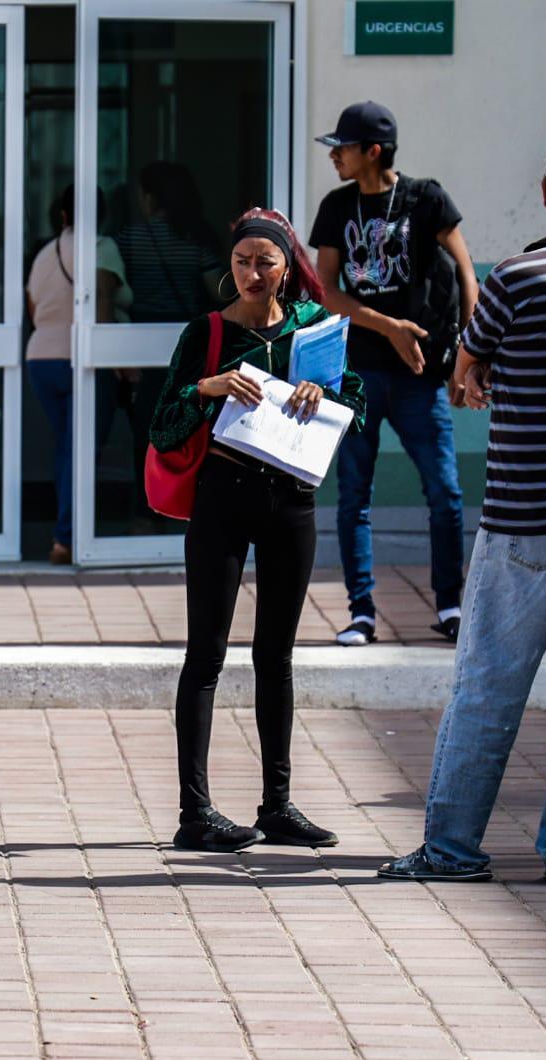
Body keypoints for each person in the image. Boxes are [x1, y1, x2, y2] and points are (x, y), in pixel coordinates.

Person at [379, 125, 546, 888]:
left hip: (532, 513)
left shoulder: (519, 277)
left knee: (489, 687)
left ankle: (452, 849)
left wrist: (487, 375)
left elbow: (467, 368)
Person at [149, 208, 366, 852]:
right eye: (241, 261)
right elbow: (162, 423)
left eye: (264, 262)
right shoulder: (207, 333)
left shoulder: (313, 330)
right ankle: (196, 812)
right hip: (223, 496)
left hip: (292, 500)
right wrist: (208, 386)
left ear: (285, 266)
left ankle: (277, 805)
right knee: (206, 655)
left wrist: (319, 395)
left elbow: (353, 399)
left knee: (276, 656)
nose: (251, 273)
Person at [310, 101, 479, 646]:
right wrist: (388, 326)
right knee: (354, 492)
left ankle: (450, 605)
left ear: (373, 151)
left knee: (445, 493)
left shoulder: (426, 199)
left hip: (420, 375)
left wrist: (469, 361)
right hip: (359, 371)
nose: (335, 156)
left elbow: (467, 275)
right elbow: (326, 293)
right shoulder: (337, 207)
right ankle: (361, 612)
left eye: (344, 147)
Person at [25, 186, 131, 564]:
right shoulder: (101, 248)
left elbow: (33, 307)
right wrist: (116, 355)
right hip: (81, 360)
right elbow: (102, 296)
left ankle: (66, 531)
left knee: (66, 448)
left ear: (63, 216)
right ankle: (67, 538)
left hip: (41, 359)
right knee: (81, 450)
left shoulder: (43, 255)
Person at [117, 161, 223, 323]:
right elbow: (219, 291)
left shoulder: (130, 237)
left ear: (149, 198)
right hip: (185, 325)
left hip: (140, 325)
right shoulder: (197, 236)